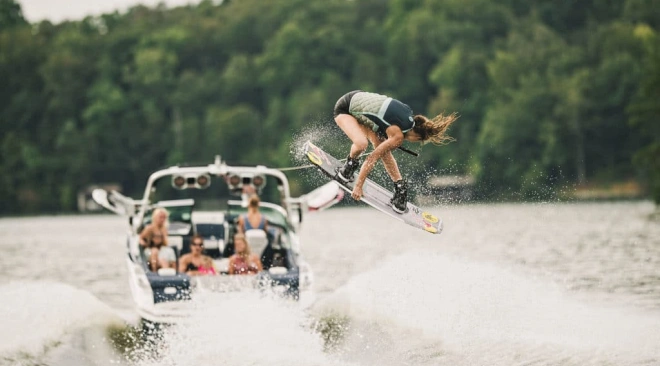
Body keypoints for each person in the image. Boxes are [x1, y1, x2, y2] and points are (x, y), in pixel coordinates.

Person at [333, 90, 458, 213]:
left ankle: (400, 187)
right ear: (418, 137)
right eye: (418, 141)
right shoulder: (398, 136)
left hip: (359, 106)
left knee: (382, 148)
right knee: (361, 144)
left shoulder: (408, 115)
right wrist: (358, 186)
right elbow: (372, 158)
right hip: (345, 109)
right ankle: (349, 167)